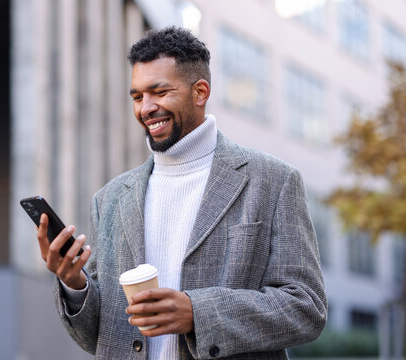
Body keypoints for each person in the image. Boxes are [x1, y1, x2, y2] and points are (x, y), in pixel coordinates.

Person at [36, 26, 327, 359]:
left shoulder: (274, 181)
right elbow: (102, 338)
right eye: (137, 96)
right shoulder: (110, 199)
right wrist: (75, 285)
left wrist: (198, 313)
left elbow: (307, 308)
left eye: (159, 92)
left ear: (200, 92)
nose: (145, 108)